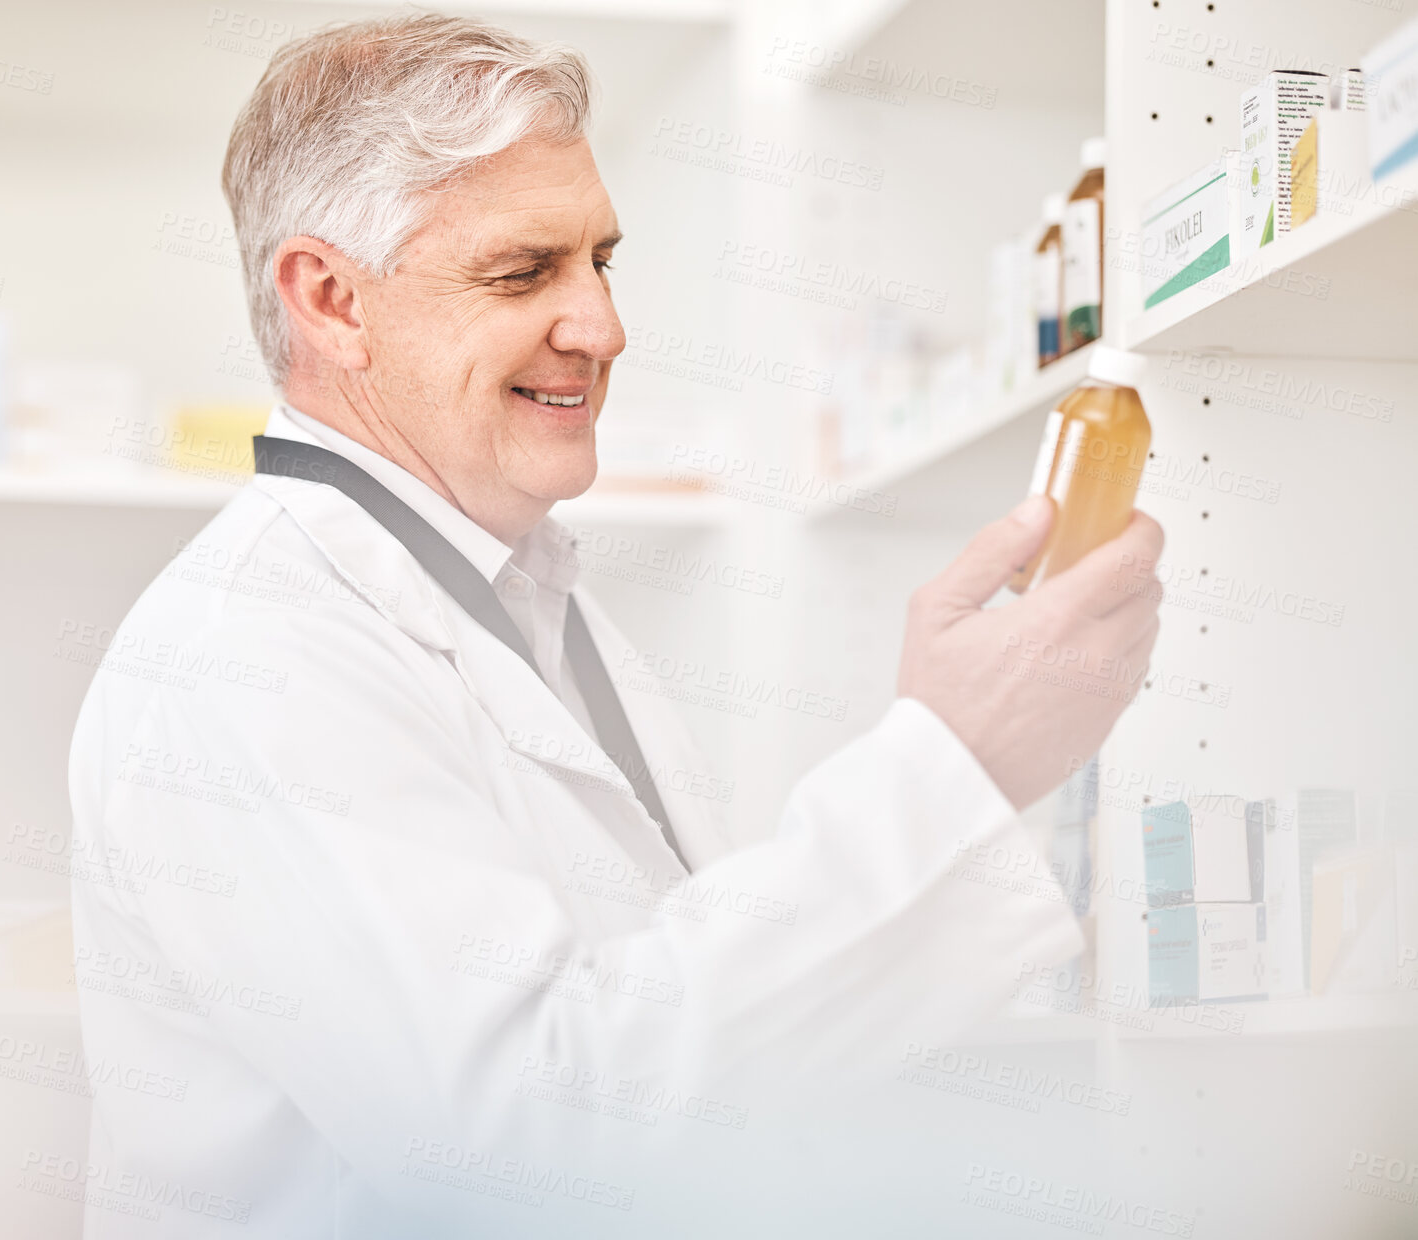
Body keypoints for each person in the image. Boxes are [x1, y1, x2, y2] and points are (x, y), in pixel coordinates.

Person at [67, 14, 1163, 1237]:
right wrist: (953, 764)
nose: (601, 325)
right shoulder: (254, 652)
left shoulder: (527, 601)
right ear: (329, 300)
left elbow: (670, 1043)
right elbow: (514, 1141)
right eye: (523, 271)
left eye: (601, 260)